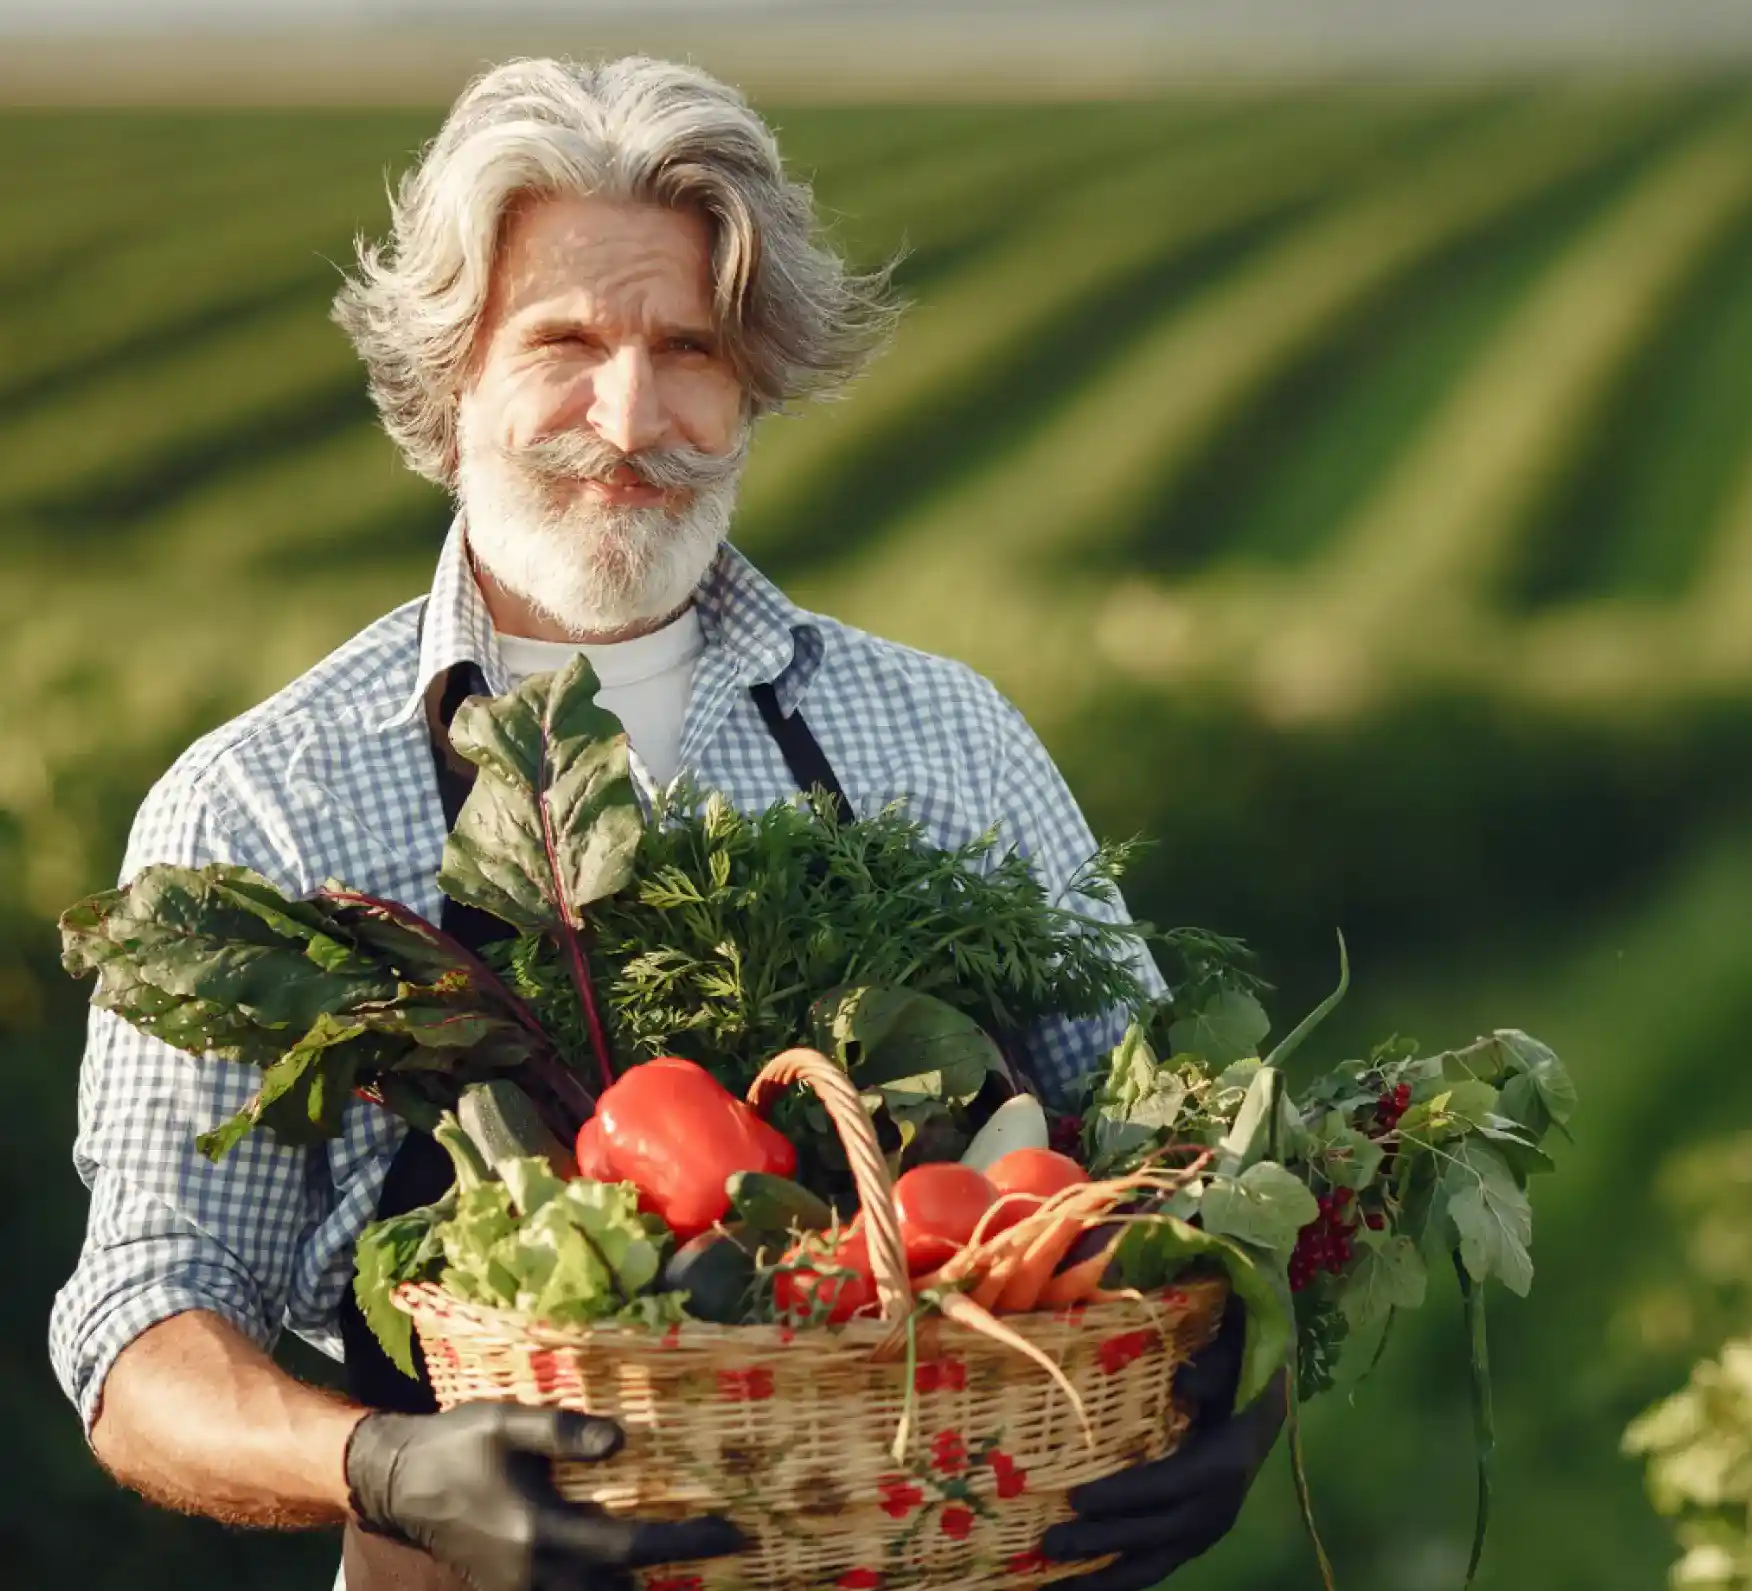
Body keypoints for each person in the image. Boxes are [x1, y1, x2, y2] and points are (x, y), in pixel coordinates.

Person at [48, 54, 1283, 1591]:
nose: (630, 417)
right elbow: (142, 1319)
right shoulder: (267, 798)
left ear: (754, 378)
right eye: (564, 340)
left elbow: (1159, 1157)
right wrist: (377, 1460)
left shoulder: (941, 740)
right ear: (451, 386)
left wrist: (1237, 1361)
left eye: (687, 349)